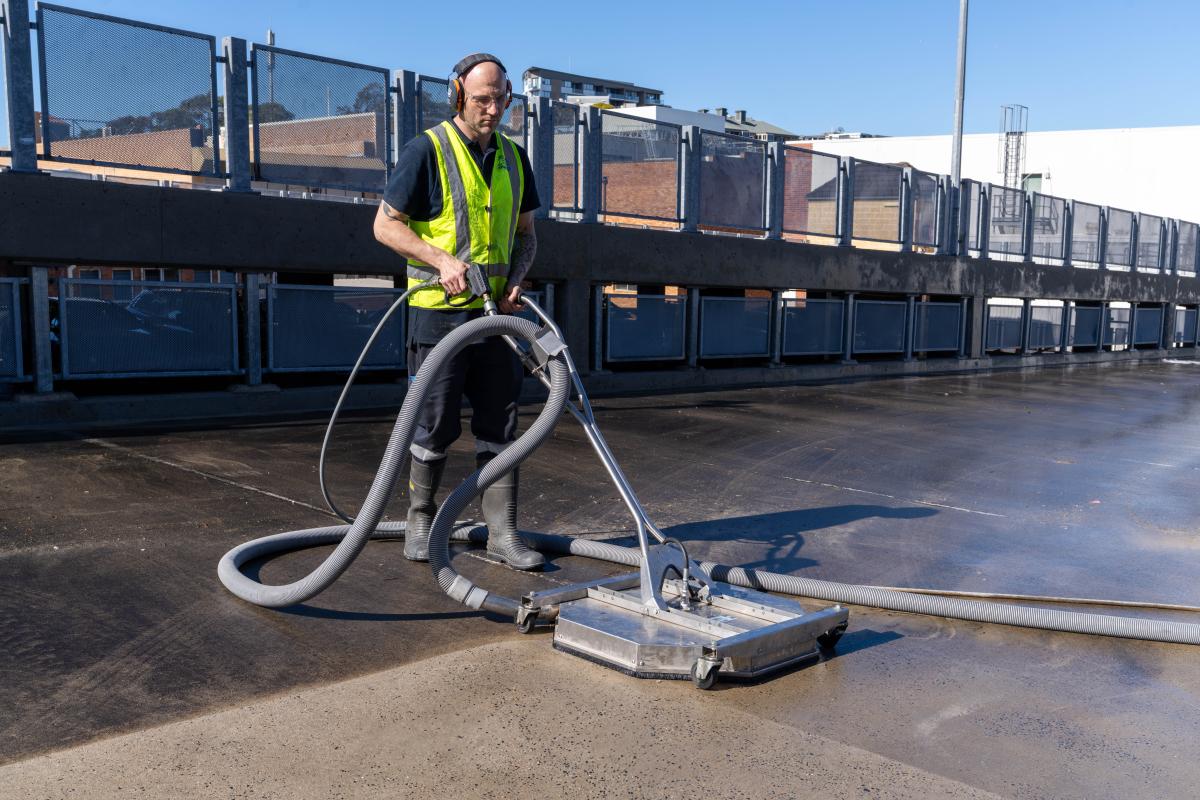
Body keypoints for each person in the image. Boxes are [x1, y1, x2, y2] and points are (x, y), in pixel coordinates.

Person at [372, 53, 543, 570]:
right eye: (482, 98)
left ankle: (502, 534)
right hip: (439, 315)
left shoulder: (515, 158)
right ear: (458, 94)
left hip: (497, 318)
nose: (492, 109)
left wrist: (514, 283)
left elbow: (527, 236)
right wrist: (442, 259)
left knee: (501, 423)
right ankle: (421, 521)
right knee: (434, 423)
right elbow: (385, 226)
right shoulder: (428, 150)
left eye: (501, 99)